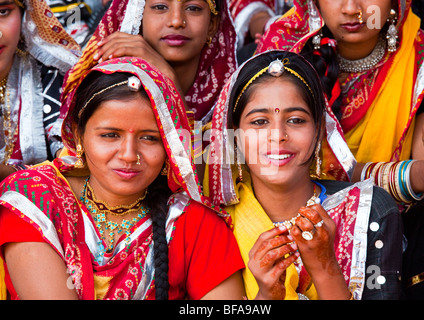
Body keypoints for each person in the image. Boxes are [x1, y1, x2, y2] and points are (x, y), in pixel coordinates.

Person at [0, 57, 245, 300]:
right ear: (78, 136)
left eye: (149, 138)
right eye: (110, 135)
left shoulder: (193, 223)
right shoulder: (35, 198)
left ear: (170, 146)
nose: (129, 155)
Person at [255, 0, 424, 298]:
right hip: (288, 216)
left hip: (396, 229)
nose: (351, 8)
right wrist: (420, 175)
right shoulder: (285, 48)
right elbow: (301, 166)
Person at [206, 50, 403, 300]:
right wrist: (266, 296)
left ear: (320, 129)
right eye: (259, 122)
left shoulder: (369, 210)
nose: (278, 135)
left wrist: (324, 269)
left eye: (297, 120)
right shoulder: (214, 226)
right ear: (234, 134)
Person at [61, 0, 237, 124]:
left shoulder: (237, 99)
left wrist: (168, 81)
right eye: (160, 7)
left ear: (212, 25)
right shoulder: (112, 89)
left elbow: (197, 174)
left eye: (193, 8)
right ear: (137, 15)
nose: (176, 21)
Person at [0, 0, 81, 181]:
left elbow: (74, 163)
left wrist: (12, 174)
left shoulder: (48, 75)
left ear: (25, 14)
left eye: (3, 12)